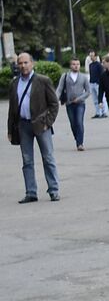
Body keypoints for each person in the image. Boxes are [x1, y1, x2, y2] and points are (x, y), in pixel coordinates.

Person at [9, 53, 61, 204]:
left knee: (48, 158)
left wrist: (48, 122)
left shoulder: (42, 80)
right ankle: (31, 192)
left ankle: (53, 190)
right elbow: (12, 108)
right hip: (23, 125)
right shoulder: (15, 83)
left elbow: (54, 104)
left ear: (32, 63)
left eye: (26, 62)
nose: (23, 66)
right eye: (20, 63)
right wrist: (10, 129)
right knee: (27, 160)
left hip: (41, 124)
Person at [56, 58, 89, 151]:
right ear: (70, 66)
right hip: (69, 103)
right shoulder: (65, 76)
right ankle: (77, 137)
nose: (76, 66)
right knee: (73, 123)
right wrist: (55, 99)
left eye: (78, 64)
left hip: (80, 103)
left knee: (79, 122)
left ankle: (80, 143)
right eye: (74, 64)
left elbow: (88, 91)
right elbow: (59, 89)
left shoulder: (83, 77)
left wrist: (79, 99)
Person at [87, 51, 107, 118]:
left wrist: (100, 83)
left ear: (95, 56)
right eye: (90, 56)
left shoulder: (99, 65)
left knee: (101, 98)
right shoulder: (90, 65)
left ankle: (104, 112)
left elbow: (102, 74)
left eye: (92, 56)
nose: (91, 57)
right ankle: (98, 112)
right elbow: (90, 74)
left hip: (98, 84)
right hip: (92, 83)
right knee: (95, 99)